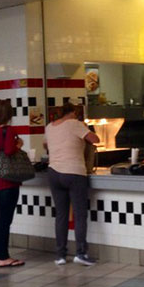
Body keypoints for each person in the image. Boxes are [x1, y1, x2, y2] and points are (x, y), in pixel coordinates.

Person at [44, 102, 100, 266]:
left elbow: (45, 144)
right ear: (74, 113)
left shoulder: (49, 126)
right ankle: (81, 253)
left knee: (61, 214)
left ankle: (60, 255)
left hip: (53, 172)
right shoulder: (76, 124)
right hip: (74, 173)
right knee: (79, 214)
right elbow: (95, 139)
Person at [0, 100, 25, 267]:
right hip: (8, 181)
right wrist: (18, 144)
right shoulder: (9, 130)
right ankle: (4, 257)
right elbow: (9, 151)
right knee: (5, 220)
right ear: (10, 114)